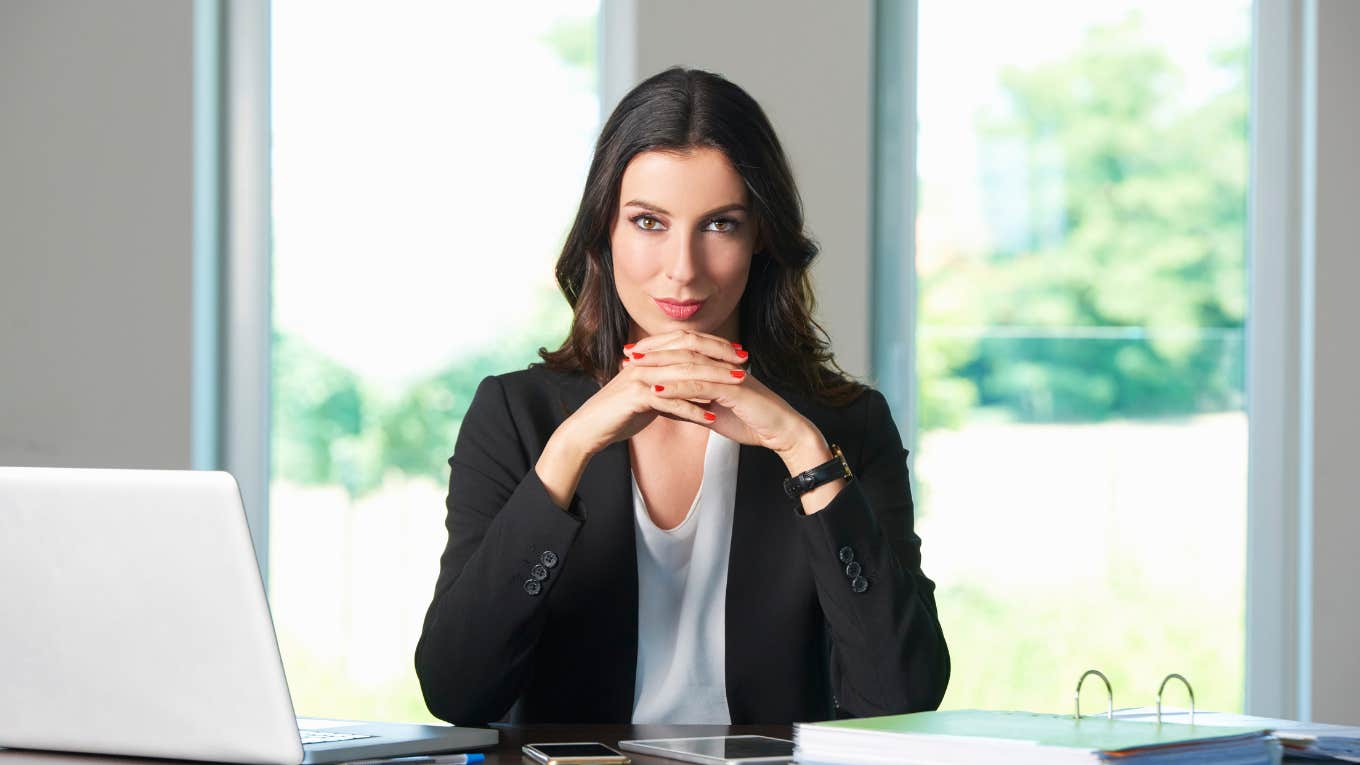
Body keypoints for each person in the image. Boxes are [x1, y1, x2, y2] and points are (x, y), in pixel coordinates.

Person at [415, 67, 948, 725]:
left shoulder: (846, 425)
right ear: (604, 234)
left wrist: (800, 446)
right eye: (648, 222)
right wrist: (571, 448)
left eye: (720, 224)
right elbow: (455, 691)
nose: (683, 268)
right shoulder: (517, 415)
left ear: (761, 239)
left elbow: (903, 697)